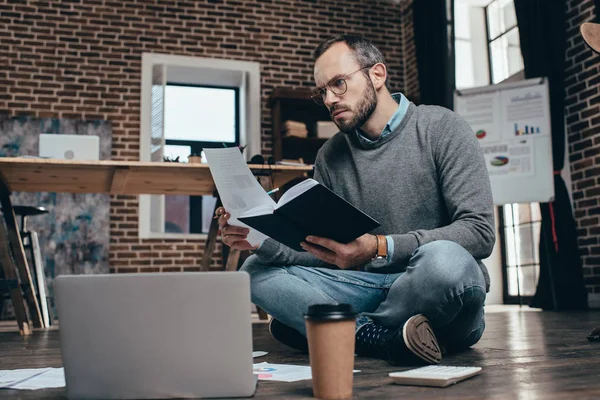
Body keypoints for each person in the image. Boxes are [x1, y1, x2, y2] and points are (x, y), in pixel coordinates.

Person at [215, 34, 495, 365]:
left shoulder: (442, 128)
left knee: (446, 259)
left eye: (338, 84)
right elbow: (323, 250)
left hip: (435, 288)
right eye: (322, 92)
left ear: (377, 75)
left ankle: (327, 326)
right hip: (365, 285)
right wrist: (259, 240)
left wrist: (379, 247)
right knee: (256, 269)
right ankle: (375, 337)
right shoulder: (330, 155)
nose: (330, 98)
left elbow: (479, 233)